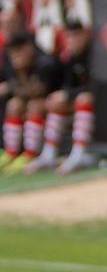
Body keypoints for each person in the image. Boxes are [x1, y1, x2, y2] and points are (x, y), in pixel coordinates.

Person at [41, 14, 97, 175]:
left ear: (85, 35)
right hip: (83, 103)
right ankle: (48, 153)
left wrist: (68, 94)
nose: (71, 40)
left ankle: (78, 154)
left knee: (83, 98)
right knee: (56, 101)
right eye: (68, 36)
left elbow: (96, 87)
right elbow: (68, 85)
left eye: (75, 35)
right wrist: (64, 95)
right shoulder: (70, 57)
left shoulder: (95, 55)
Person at [0, 32, 64, 174]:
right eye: (12, 52)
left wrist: (21, 72)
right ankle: (11, 152)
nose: (15, 56)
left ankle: (30, 154)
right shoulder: (10, 62)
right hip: (29, 100)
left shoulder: (44, 62)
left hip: (54, 103)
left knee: (34, 105)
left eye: (19, 50)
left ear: (28, 48)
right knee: (14, 105)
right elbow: (14, 89)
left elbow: (36, 92)